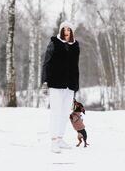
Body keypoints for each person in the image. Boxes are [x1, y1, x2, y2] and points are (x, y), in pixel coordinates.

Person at [41, 20, 80, 153]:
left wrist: (76, 85)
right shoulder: (54, 43)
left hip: (70, 85)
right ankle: (53, 141)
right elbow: (46, 63)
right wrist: (45, 81)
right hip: (56, 84)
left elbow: (75, 67)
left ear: (72, 32)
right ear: (61, 31)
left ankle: (60, 138)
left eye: (69, 30)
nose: (66, 32)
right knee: (56, 112)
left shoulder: (75, 46)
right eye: (64, 30)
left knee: (64, 113)